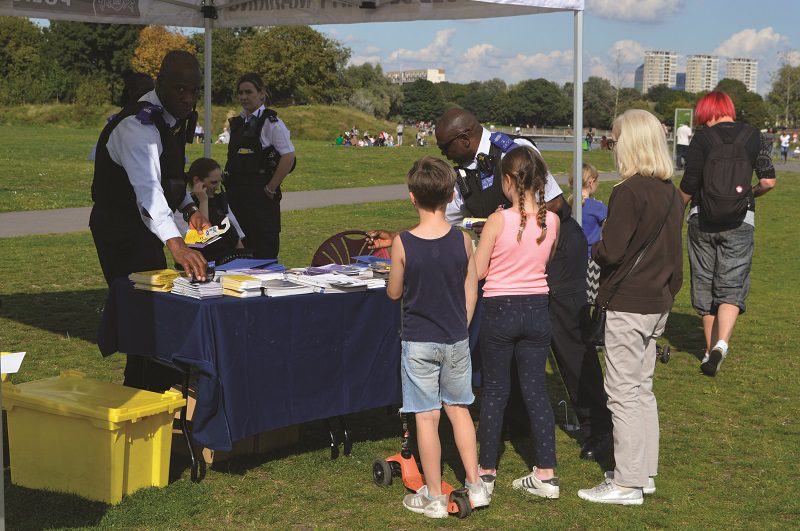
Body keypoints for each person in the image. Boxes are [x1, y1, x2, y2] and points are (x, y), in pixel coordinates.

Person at [370, 109, 614, 463]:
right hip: (510, 261)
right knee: (510, 338)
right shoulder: (463, 172)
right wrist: (398, 236)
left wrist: (504, 223)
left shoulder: (516, 151)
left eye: (445, 147)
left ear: (465, 139)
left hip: (555, 250)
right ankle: (516, 421)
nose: (444, 154)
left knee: (568, 342)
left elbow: (556, 205)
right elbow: (441, 217)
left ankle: (599, 429)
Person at [578, 109, 684, 506]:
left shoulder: (628, 192)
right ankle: (642, 474)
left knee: (623, 393)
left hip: (629, 301)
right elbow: (674, 255)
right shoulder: (670, 192)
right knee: (641, 390)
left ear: (631, 142)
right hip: (657, 300)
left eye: (615, 138)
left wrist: (596, 247)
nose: (612, 144)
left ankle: (627, 483)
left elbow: (612, 250)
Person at [90, 50, 209, 391]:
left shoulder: (170, 119)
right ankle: (142, 391)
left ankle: (152, 389)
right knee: (143, 313)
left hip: (145, 229)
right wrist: (177, 244)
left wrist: (189, 209)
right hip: (121, 230)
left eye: (194, 91)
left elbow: (170, 179)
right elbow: (149, 192)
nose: (188, 98)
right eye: (180, 89)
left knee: (154, 311)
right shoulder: (137, 126)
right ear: (161, 83)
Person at [385, 157, 490, 519]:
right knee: (459, 410)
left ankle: (433, 496)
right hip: (455, 338)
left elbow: (394, 292)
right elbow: (471, 289)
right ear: (450, 195)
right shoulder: (463, 240)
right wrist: (462, 325)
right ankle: (476, 485)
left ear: (412, 197)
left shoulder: (402, 243)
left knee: (426, 417)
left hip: (418, 341)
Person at [473, 146, 561, 499]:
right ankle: (546, 474)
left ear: (508, 180)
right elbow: (544, 263)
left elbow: (479, 270)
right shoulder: (553, 221)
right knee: (536, 391)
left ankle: (486, 472)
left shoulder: (498, 220)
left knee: (495, 391)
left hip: (500, 307)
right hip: (537, 307)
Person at [679, 91, 776, 377]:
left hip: (702, 219)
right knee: (731, 284)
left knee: (705, 283)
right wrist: (748, 195)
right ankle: (722, 343)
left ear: (707, 111)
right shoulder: (754, 136)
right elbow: (768, 181)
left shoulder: (702, 138)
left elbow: (689, 184)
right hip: (741, 221)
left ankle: (708, 351)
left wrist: (673, 211)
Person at [224, 72, 296, 259]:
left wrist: (271, 187)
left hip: (261, 199)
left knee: (264, 255)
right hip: (237, 199)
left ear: (261, 94)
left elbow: (288, 156)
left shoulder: (272, 123)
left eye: (249, 92)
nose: (244, 97)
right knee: (239, 255)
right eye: (240, 93)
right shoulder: (237, 123)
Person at [185, 157, 245, 262]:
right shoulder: (186, 206)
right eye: (213, 182)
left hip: (229, 260)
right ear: (197, 181)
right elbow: (202, 237)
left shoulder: (220, 201)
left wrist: (243, 260)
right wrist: (203, 201)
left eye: (219, 182)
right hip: (205, 262)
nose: (217, 187)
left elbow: (237, 237)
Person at [569, 163, 606, 257]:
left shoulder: (568, 205)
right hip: (591, 257)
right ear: (591, 182)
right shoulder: (597, 207)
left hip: (571, 256)